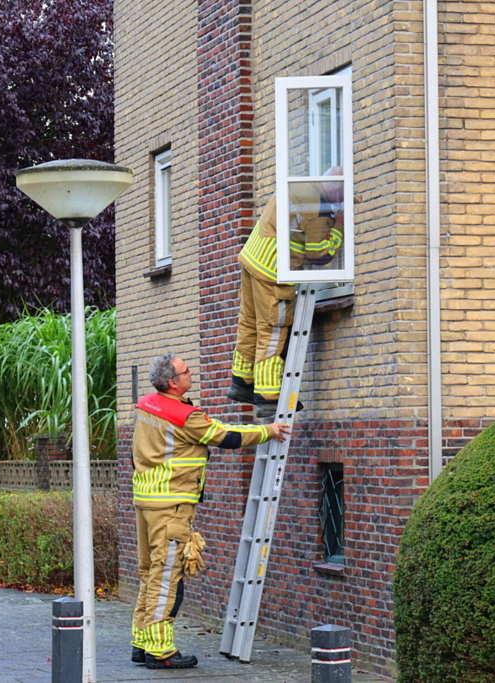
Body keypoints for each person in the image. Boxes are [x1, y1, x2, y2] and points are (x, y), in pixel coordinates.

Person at [131, 353, 291, 669]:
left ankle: (142, 643)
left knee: (150, 574)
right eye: (186, 370)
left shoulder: (148, 404)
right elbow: (226, 436)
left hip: (146, 501)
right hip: (172, 506)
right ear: (173, 382)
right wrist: (268, 431)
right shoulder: (185, 416)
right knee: (167, 580)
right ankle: (161, 652)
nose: (192, 373)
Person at [229, 167, 345, 417]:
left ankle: (242, 382)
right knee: (273, 331)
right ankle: (269, 397)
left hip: (252, 258)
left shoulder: (299, 184)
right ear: (335, 187)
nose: (342, 201)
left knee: (249, 323)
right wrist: (338, 230)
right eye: (343, 194)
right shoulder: (318, 207)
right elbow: (319, 253)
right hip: (274, 271)